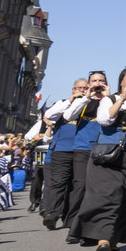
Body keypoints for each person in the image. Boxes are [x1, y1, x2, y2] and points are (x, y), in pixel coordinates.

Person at [81, 66, 126, 251]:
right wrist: (122, 99)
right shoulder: (110, 99)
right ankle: (103, 240)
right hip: (107, 155)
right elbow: (105, 120)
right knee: (106, 196)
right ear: (121, 82)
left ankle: (114, 241)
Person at [55, 72, 107, 246]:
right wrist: (86, 97)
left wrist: (107, 97)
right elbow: (68, 116)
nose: (97, 84)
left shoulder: (111, 100)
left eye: (101, 81)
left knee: (98, 190)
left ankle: (92, 231)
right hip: (83, 149)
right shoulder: (82, 101)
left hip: (104, 149)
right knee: (80, 186)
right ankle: (72, 226)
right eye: (94, 81)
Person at [39, 77, 89, 231]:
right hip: (61, 149)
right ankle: (52, 214)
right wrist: (70, 100)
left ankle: (69, 218)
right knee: (58, 183)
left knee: (76, 185)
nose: (82, 90)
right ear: (73, 89)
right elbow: (49, 115)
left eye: (85, 88)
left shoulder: (91, 105)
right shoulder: (62, 103)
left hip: (82, 150)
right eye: (79, 88)